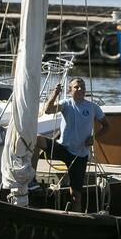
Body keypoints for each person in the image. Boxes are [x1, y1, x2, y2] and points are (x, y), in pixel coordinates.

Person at [36, 77, 109, 212]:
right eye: (76, 87)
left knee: (76, 196)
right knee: (37, 139)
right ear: (70, 90)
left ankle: (77, 216)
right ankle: (31, 178)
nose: (80, 89)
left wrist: (94, 137)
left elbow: (106, 126)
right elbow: (48, 110)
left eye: (82, 87)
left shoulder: (93, 107)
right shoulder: (66, 104)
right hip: (63, 148)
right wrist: (55, 94)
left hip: (80, 155)